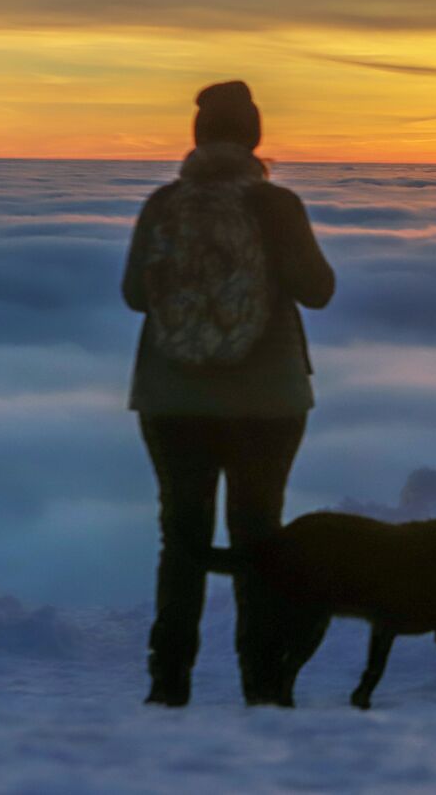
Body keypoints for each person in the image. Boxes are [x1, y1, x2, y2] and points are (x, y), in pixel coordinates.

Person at [122, 81, 334, 706]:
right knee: (258, 538)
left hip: (170, 399)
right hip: (267, 403)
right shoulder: (278, 204)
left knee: (180, 539)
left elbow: (136, 294)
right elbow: (317, 290)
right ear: (254, 137)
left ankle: (168, 684)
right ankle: (263, 686)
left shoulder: (164, 203)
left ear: (197, 137)